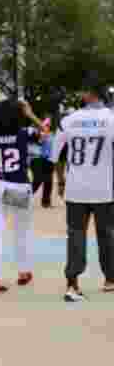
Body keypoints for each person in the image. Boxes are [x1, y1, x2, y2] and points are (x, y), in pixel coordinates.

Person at [50, 80, 114, 302]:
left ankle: (72, 284)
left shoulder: (68, 120)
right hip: (105, 187)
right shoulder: (111, 119)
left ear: (89, 94)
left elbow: (55, 155)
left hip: (76, 188)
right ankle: (110, 279)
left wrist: (60, 181)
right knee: (107, 234)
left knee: (76, 234)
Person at [0, 99, 46, 293]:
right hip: (18, 186)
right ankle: (23, 271)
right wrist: (30, 114)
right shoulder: (24, 133)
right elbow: (45, 134)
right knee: (21, 230)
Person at [31, 117, 56, 208]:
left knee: (48, 181)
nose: (47, 126)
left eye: (48, 125)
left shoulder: (52, 135)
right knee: (37, 180)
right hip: (37, 159)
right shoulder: (38, 134)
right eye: (45, 125)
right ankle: (22, 198)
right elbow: (39, 142)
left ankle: (46, 202)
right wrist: (43, 133)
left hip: (49, 160)